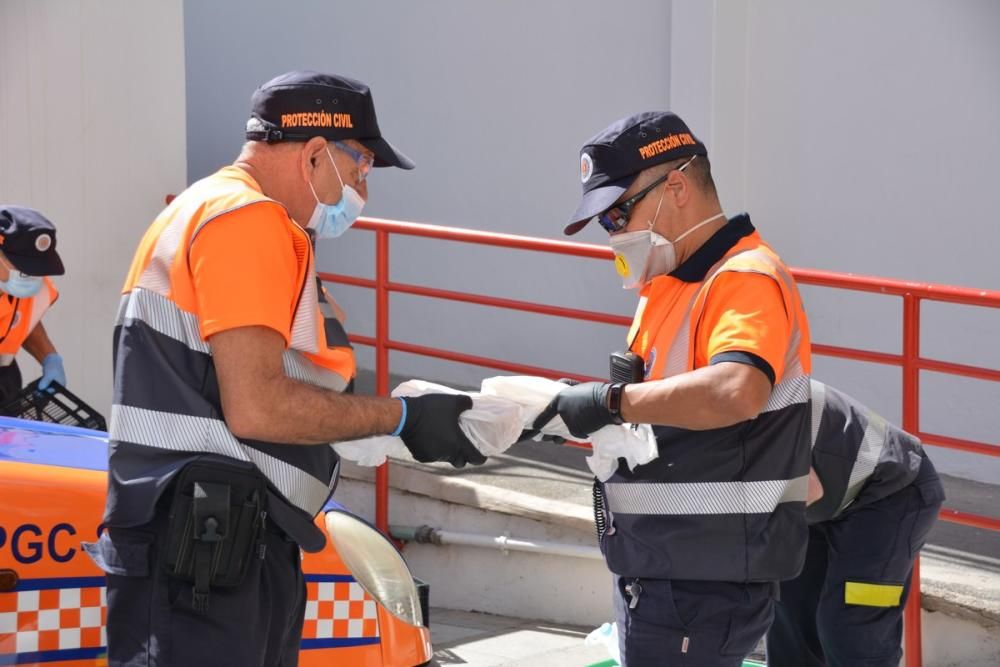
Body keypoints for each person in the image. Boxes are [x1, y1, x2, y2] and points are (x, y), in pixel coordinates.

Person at [86, 71, 484, 667]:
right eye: (360, 169)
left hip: (204, 539)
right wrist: (400, 417)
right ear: (316, 153)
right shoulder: (249, 221)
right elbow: (258, 405)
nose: (362, 190)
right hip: (205, 550)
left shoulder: (210, 209)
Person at [534, 111, 813, 666]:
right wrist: (572, 410)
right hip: (665, 568)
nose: (612, 232)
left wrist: (608, 402)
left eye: (617, 212)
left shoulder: (742, 277)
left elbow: (737, 389)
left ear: (677, 187)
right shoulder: (667, 285)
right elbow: (656, 410)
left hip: (703, 579)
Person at [767, 379, 944, 667]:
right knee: (792, 619)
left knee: (850, 630)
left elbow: (807, 489)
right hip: (826, 498)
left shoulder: (737, 397)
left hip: (891, 492)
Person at [0, 205, 66, 406]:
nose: (32, 276)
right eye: (24, 268)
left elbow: (22, 319)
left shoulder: (31, 286)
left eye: (38, 269)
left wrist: (50, 358)